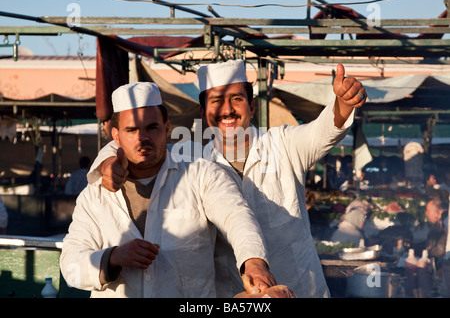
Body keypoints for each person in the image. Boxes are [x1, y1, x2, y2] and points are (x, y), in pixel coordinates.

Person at [90, 60, 366, 297]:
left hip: (299, 288)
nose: (227, 109)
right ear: (203, 113)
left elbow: (324, 130)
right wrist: (110, 156)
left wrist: (342, 103)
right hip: (236, 295)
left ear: (251, 107)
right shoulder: (194, 162)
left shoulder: (284, 144)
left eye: (236, 99)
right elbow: (141, 144)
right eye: (215, 101)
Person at [60, 82, 275, 298]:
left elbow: (236, 216)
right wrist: (113, 257)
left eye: (151, 128)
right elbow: (70, 265)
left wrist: (253, 262)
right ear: (116, 136)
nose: (142, 138)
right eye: (131, 130)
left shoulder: (200, 175)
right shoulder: (95, 194)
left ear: (166, 128)